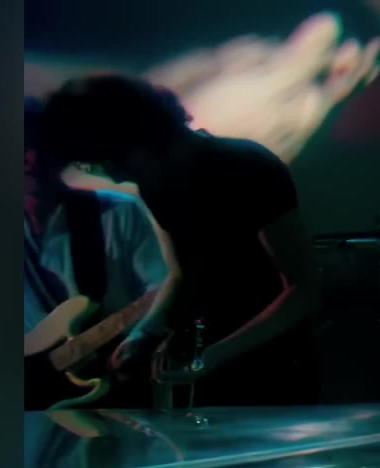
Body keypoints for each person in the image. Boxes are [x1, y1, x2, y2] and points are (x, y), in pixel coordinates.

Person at [39, 74, 323, 407]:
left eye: (113, 162)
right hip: (205, 367)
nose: (115, 177)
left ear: (141, 134)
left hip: (273, 365)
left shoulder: (249, 167)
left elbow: (304, 290)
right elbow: (180, 275)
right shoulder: (156, 182)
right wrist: (145, 332)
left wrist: (214, 356)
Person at [23, 96, 169, 408]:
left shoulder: (118, 212)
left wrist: (139, 337)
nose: (30, 160)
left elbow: (163, 288)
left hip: (110, 387)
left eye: (38, 146)